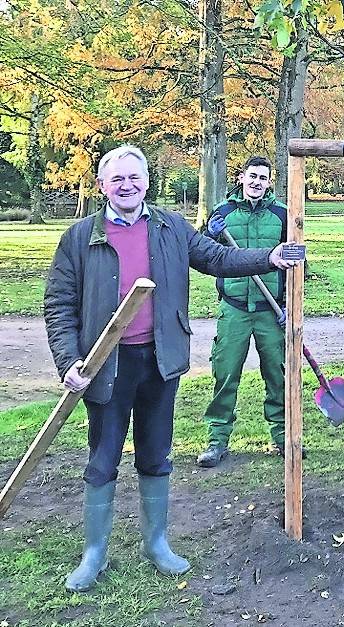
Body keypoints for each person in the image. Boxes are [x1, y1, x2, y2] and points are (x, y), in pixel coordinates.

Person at [44, 145, 298, 592]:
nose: (127, 186)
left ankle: (156, 544)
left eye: (134, 178)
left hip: (160, 361)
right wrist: (68, 361)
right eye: (117, 179)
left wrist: (269, 257)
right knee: (103, 457)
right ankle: (94, 554)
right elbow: (59, 305)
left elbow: (217, 259)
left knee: (156, 452)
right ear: (103, 186)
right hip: (106, 364)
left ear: (147, 182)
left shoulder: (170, 228)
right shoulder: (79, 237)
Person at [196, 156, 290, 468]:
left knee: (277, 374)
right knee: (225, 374)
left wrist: (289, 305)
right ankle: (217, 440)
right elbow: (202, 252)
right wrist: (211, 232)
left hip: (270, 311)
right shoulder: (223, 213)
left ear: (268, 183)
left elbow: (296, 262)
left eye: (263, 178)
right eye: (252, 176)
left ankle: (282, 437)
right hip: (234, 308)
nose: (256, 182)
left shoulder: (282, 216)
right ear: (241, 177)